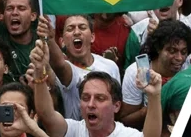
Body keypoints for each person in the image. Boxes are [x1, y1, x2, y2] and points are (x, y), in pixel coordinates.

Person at [30, 38, 162, 137]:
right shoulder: (73, 131)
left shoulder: (126, 135)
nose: (91, 104)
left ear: (116, 106)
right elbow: (46, 115)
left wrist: (154, 95)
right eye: (85, 98)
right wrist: (39, 70)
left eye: (100, 98)